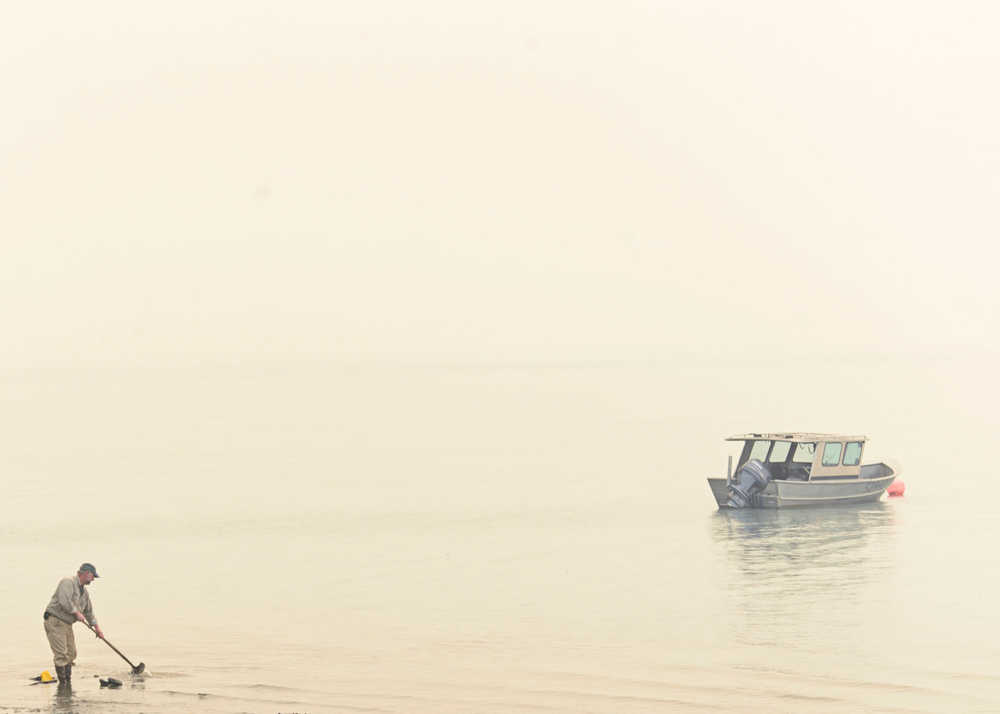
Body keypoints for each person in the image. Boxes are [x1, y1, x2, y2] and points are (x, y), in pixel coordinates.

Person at [43, 563, 105, 684]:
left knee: (71, 654)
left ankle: (68, 682)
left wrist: (97, 628)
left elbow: (89, 612)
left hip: (66, 624)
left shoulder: (85, 593)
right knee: (62, 654)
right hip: (55, 620)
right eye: (93, 576)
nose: (93, 579)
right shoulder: (68, 582)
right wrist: (76, 612)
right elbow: (64, 601)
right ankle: (64, 685)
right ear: (87, 573)